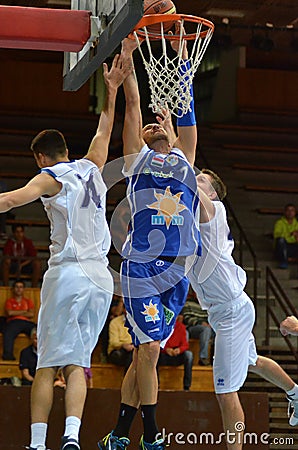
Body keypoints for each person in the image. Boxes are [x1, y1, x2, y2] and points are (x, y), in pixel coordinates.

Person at [0, 54, 129, 450]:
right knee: (78, 363)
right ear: (65, 149)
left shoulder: (48, 176)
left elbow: (11, 200)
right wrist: (112, 89)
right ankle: (72, 436)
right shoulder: (91, 165)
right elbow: (106, 126)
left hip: (69, 272)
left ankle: (38, 444)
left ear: (41, 157)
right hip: (101, 277)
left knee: (45, 363)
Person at [98, 33, 201, 450]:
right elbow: (135, 105)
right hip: (142, 266)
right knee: (149, 354)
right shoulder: (137, 159)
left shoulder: (186, 158)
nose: (154, 125)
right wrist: (128, 58)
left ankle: (120, 433)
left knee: (146, 351)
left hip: (178, 270)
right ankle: (152, 436)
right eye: (148, 126)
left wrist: (178, 54)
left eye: (164, 124)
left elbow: (188, 112)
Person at [187, 168, 298, 449]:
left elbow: (183, 175)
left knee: (225, 392)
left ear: (212, 193)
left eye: (202, 180)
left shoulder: (213, 210)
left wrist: (176, 147)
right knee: (253, 361)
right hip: (228, 309)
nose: (195, 179)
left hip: (231, 312)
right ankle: (295, 393)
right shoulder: (191, 218)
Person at [2, 279, 36, 360]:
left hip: (26, 322)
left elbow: (31, 314)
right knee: (8, 332)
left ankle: (40, 356)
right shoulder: (10, 301)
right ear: (13, 289)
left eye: (21, 287)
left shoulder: (28, 301)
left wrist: (16, 312)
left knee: (38, 331)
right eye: (17, 287)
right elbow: (10, 313)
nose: (19, 289)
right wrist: (24, 312)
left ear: (23, 289)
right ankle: (8, 355)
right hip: (14, 322)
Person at [158, 314, 193, 391]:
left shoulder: (181, 327)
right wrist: (166, 349)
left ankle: (186, 386)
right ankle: (157, 384)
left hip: (177, 353)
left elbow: (185, 345)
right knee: (155, 354)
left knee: (189, 355)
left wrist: (179, 350)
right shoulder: (161, 326)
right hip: (164, 353)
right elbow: (158, 343)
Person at [182, 292, 214, 366]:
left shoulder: (207, 306)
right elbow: (187, 318)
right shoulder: (188, 303)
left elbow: (211, 318)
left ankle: (214, 359)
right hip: (192, 328)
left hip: (207, 327)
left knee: (219, 332)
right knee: (206, 329)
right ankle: (203, 358)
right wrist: (200, 322)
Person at [107, 300, 134, 371]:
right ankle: (129, 381)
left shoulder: (138, 323)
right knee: (131, 357)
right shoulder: (115, 322)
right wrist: (123, 345)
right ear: (124, 309)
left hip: (134, 348)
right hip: (118, 349)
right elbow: (113, 342)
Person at [273, 203, 298, 269]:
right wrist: (291, 234)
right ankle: (284, 261)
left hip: (294, 246)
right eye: (288, 210)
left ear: (295, 212)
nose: (290, 213)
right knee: (281, 240)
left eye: (292, 210)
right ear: (285, 212)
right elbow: (277, 235)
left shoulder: (297, 224)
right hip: (283, 247)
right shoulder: (279, 223)